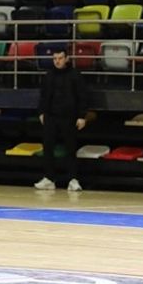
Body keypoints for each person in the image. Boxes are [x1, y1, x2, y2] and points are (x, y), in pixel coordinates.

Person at [34, 46, 88, 192]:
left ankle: (73, 179)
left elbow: (82, 96)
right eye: (55, 59)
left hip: (69, 117)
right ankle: (49, 178)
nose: (57, 61)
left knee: (70, 148)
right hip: (51, 116)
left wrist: (82, 116)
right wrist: (41, 112)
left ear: (67, 58)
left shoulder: (75, 75)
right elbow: (44, 95)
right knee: (48, 148)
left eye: (60, 58)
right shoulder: (49, 75)